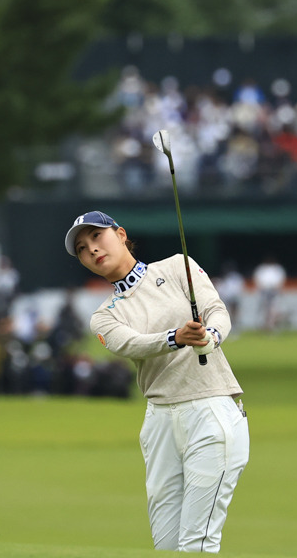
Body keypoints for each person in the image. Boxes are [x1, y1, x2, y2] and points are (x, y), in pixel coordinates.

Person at [66, 210, 249, 553]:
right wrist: (175, 337)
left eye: (97, 236)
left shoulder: (177, 266)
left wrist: (210, 336)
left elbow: (216, 311)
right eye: (81, 249)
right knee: (166, 546)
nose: (91, 249)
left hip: (211, 409)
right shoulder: (104, 316)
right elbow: (132, 344)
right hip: (159, 422)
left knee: (196, 543)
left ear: (121, 234)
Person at [252, 256, 286, 333]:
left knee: (273, 310)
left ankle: (271, 326)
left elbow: (280, 281)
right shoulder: (261, 269)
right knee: (264, 310)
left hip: (274, 292)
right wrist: (262, 288)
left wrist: (276, 288)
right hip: (264, 292)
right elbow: (258, 281)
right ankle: (264, 326)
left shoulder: (277, 269)